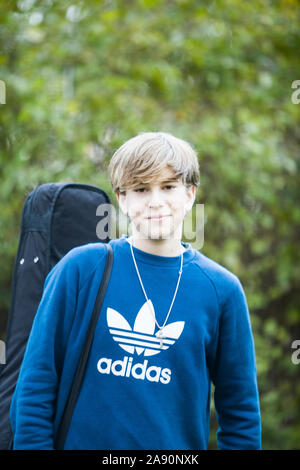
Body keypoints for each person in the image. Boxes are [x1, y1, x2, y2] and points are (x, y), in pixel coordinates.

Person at [10, 132, 261, 450]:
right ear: (123, 199)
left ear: (190, 194)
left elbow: (241, 416)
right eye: (141, 189)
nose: (156, 201)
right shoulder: (81, 270)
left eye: (168, 187)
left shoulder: (221, 290)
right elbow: (35, 387)